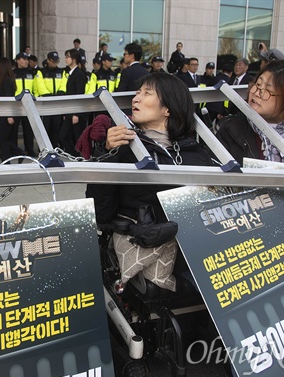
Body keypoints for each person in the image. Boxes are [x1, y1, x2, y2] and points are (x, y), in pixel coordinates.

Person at [82, 72, 215, 282]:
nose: (136, 99)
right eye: (137, 93)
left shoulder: (196, 151)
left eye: (147, 93)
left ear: (168, 108)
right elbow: (100, 211)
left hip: (198, 247)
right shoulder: (122, 147)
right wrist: (105, 154)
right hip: (150, 245)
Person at [0, 57, 25, 162]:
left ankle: (17, 153)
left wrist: (9, 115)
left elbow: (8, 98)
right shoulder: (5, 79)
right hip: (4, 112)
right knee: (4, 137)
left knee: (2, 137)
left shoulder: (7, 80)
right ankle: (8, 158)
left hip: (8, 113)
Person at [35, 51, 66, 147]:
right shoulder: (41, 72)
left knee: (56, 127)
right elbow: (40, 87)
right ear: (48, 60)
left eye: (56, 61)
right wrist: (49, 97)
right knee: (45, 128)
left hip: (57, 104)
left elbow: (63, 85)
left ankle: (54, 147)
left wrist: (59, 95)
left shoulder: (61, 72)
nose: (54, 63)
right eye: (53, 61)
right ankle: (44, 148)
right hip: (45, 105)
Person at [59, 49, 88, 155]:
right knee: (65, 136)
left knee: (75, 137)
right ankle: (75, 155)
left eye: (68, 57)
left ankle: (79, 156)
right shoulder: (71, 74)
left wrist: (76, 113)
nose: (66, 59)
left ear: (74, 59)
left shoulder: (78, 74)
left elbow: (79, 94)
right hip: (70, 110)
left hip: (76, 112)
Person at [13, 52, 37, 157]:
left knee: (28, 129)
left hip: (28, 104)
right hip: (16, 105)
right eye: (23, 59)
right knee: (14, 129)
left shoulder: (31, 73)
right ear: (18, 60)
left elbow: (35, 88)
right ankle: (15, 150)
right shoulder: (13, 73)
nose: (26, 61)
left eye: (27, 59)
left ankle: (30, 149)